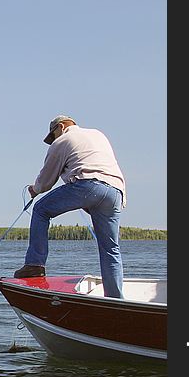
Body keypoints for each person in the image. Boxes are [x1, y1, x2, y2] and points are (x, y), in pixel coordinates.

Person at [14, 115, 126, 298]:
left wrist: (34, 190)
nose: (53, 140)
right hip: (115, 192)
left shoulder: (62, 141)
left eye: (53, 135)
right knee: (110, 249)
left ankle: (34, 265)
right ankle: (115, 299)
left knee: (41, 210)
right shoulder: (98, 134)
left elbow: (46, 182)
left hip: (88, 185)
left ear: (61, 126)